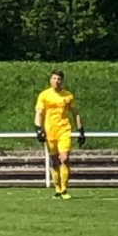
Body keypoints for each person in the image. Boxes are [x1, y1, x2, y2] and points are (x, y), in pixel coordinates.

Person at [34, 70, 85, 199]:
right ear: (50, 80)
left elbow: (75, 113)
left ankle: (64, 190)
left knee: (65, 158)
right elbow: (39, 113)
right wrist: (38, 129)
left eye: (59, 79)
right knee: (54, 160)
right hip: (50, 130)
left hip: (64, 130)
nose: (56, 81)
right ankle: (57, 188)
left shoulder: (67, 96)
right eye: (54, 79)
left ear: (62, 81)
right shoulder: (44, 95)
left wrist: (81, 130)